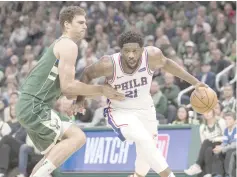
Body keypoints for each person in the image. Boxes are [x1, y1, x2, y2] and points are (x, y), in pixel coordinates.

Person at [78, 30, 208, 177]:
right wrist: (80, 99)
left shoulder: (152, 55)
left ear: (142, 49)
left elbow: (168, 64)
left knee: (147, 150)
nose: (131, 55)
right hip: (120, 111)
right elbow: (87, 73)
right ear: (120, 51)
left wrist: (195, 82)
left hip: (146, 109)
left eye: (135, 51)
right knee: (143, 138)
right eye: (126, 51)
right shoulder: (109, 64)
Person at [15, 6, 124, 177]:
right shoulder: (68, 45)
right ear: (67, 24)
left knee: (50, 159)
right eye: (80, 22)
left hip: (31, 106)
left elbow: (70, 93)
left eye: (86, 22)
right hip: (34, 106)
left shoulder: (62, 45)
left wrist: (80, 99)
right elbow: (68, 87)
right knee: (77, 137)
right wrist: (102, 89)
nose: (85, 26)